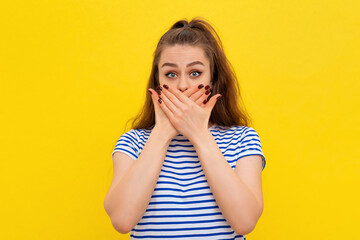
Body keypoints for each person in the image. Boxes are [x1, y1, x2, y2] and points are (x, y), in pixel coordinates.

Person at [104, 17, 266, 240]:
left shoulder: (242, 139)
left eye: (195, 73)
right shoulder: (133, 142)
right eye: (171, 74)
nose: (182, 85)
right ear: (157, 82)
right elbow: (122, 220)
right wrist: (161, 134)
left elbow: (245, 221)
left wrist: (199, 134)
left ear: (213, 80)